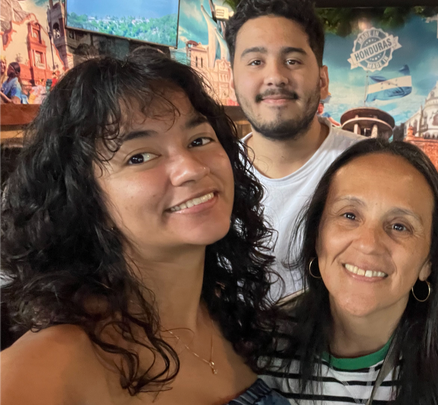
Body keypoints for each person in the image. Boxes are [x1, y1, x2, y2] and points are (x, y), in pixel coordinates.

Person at [0, 53, 290, 405]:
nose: (192, 169)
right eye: (139, 156)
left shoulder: (234, 319)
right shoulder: (47, 367)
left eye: (198, 140)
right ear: (85, 198)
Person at [260, 139, 438, 404]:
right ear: (317, 236)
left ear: (429, 262)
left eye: (399, 226)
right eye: (349, 215)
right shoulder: (268, 344)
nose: (368, 244)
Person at [225, 0, 364, 300]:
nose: (275, 76)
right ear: (233, 79)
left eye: (292, 61)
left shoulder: (369, 164)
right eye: (255, 62)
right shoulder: (213, 172)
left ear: (323, 80)